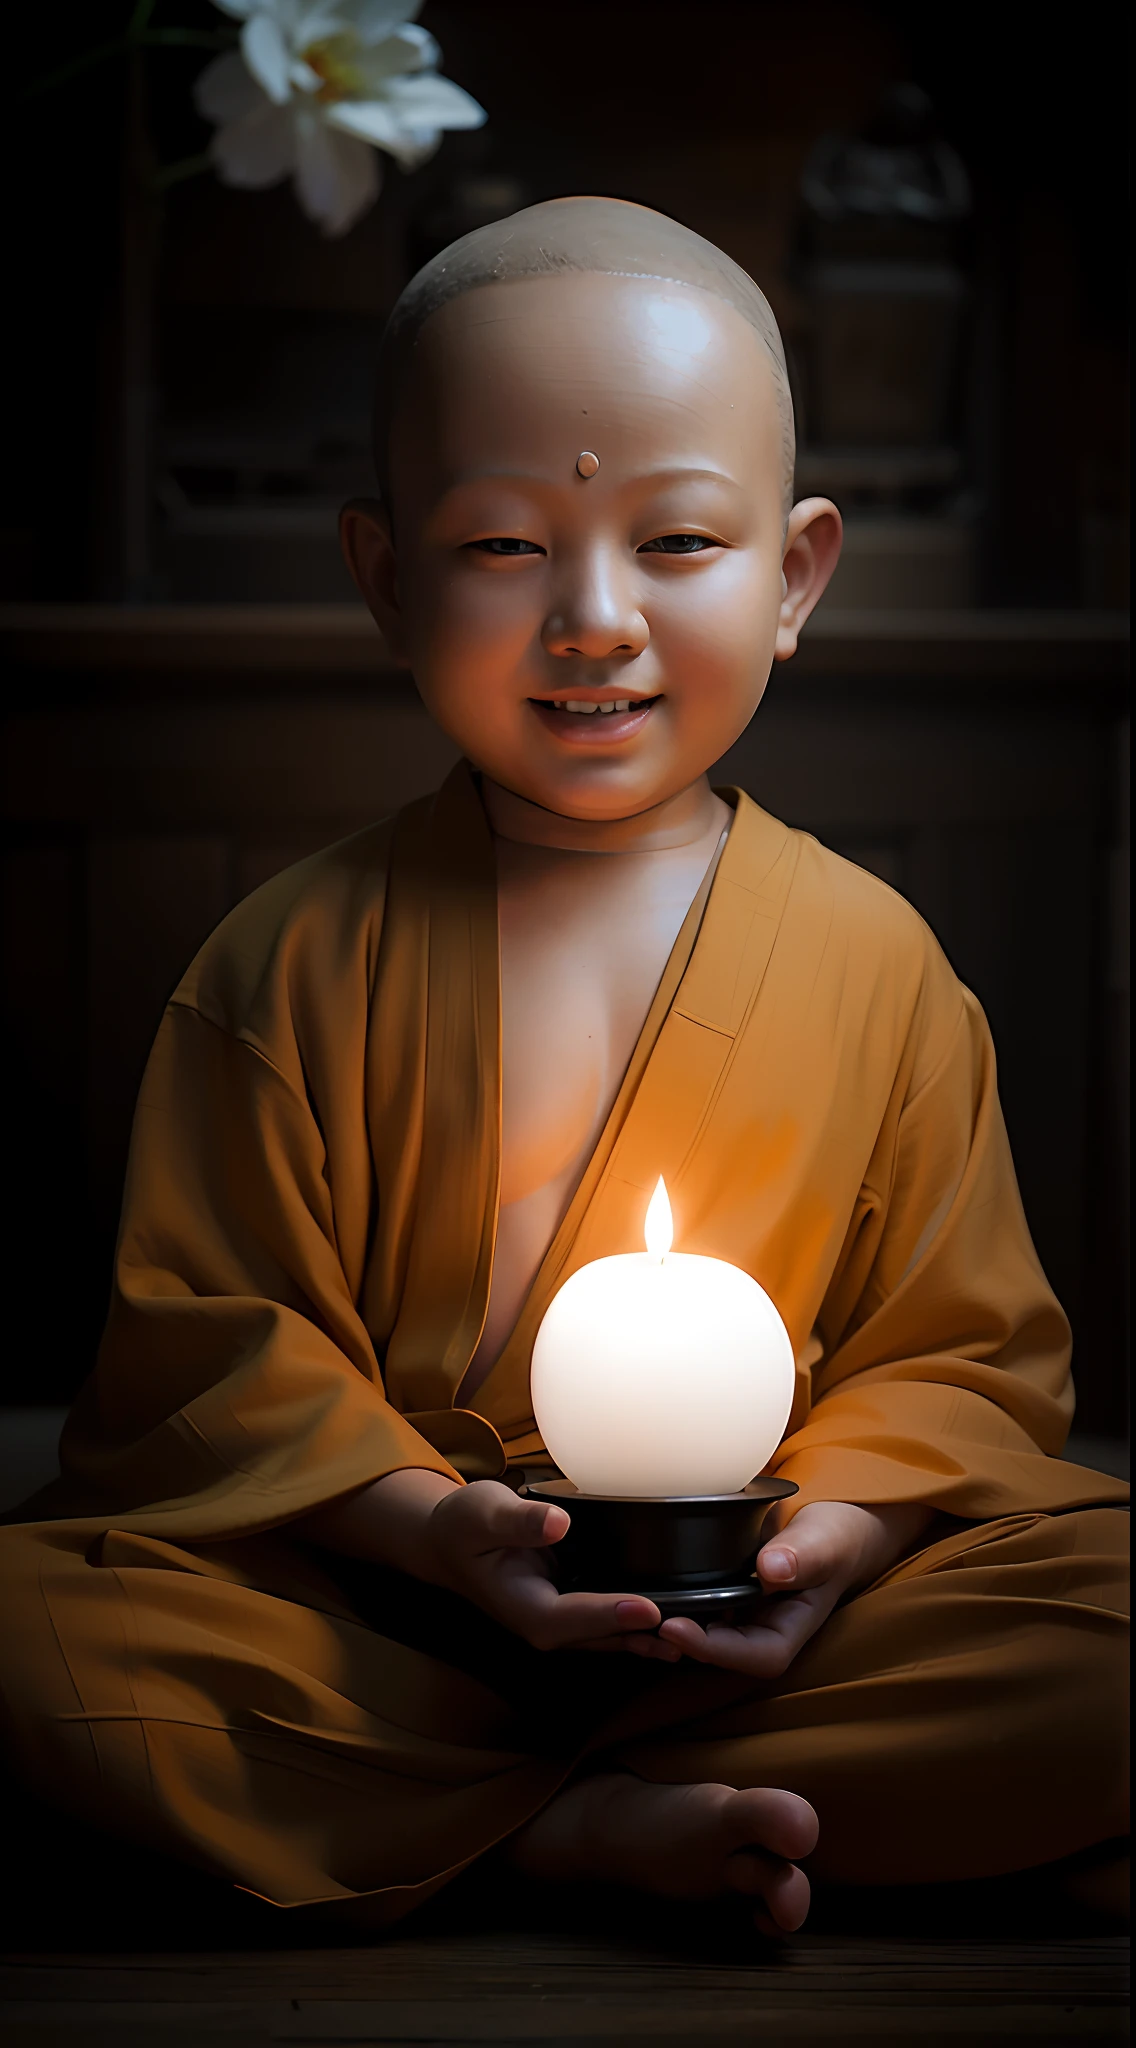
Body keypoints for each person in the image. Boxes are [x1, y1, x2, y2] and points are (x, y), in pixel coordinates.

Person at [0, 199, 1127, 1935]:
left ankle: (475, 1818)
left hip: (759, 1627)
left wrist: (836, 1540)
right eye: (508, 548)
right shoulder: (291, 958)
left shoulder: (878, 964)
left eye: (676, 541)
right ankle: (586, 1827)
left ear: (796, 575)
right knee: (34, 1628)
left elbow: (962, 1354)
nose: (595, 620)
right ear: (388, 578)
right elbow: (210, 1361)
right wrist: (429, 1530)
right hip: (376, 1617)